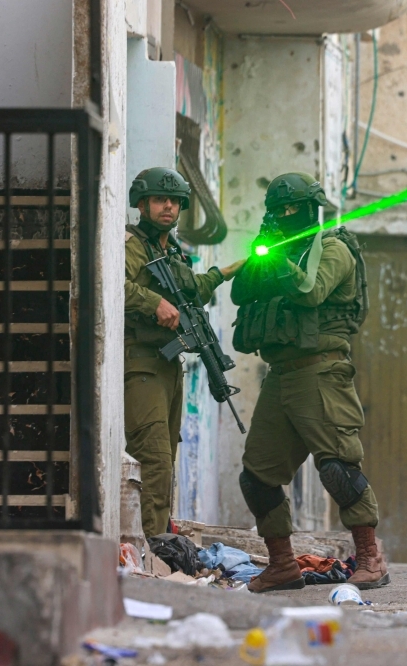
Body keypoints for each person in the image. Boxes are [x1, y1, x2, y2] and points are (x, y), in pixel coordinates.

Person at [231, 172, 388, 593]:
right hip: (281, 375)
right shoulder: (279, 250)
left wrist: (277, 258)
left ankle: (371, 558)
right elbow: (241, 292)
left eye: (293, 208)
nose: (286, 215)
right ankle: (282, 563)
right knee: (257, 476)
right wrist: (261, 249)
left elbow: (311, 291)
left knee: (337, 467)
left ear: (312, 208)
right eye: (278, 210)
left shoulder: (334, 249)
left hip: (322, 372)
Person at [124, 167, 245, 538]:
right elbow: (111, 282)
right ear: (142, 203)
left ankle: (158, 537)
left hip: (166, 366)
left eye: (175, 202)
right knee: (155, 457)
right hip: (140, 365)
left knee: (167, 457)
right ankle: (150, 544)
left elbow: (192, 289)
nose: (168, 208)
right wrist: (153, 302)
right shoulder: (131, 244)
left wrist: (230, 270)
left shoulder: (170, 249)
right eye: (161, 200)